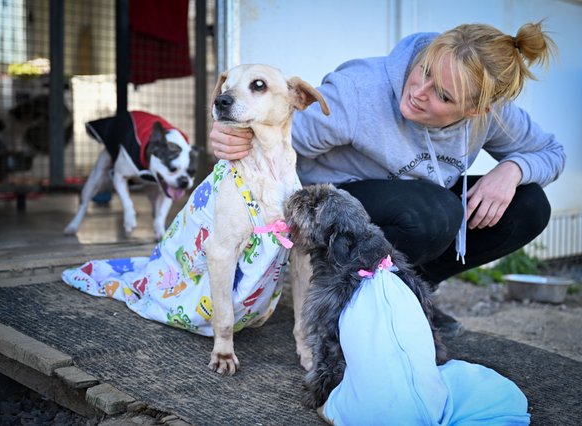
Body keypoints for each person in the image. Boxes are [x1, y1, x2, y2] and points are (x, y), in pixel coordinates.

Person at [209, 22, 564, 336]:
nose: (419, 91)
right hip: (331, 201)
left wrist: (512, 170)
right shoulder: (359, 91)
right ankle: (343, 300)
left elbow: (551, 151)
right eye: (424, 70)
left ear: (476, 110)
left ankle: (408, 293)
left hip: (412, 203)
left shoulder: (493, 114)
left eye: (442, 95)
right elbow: (279, 130)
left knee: (529, 205)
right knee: (434, 212)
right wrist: (229, 137)